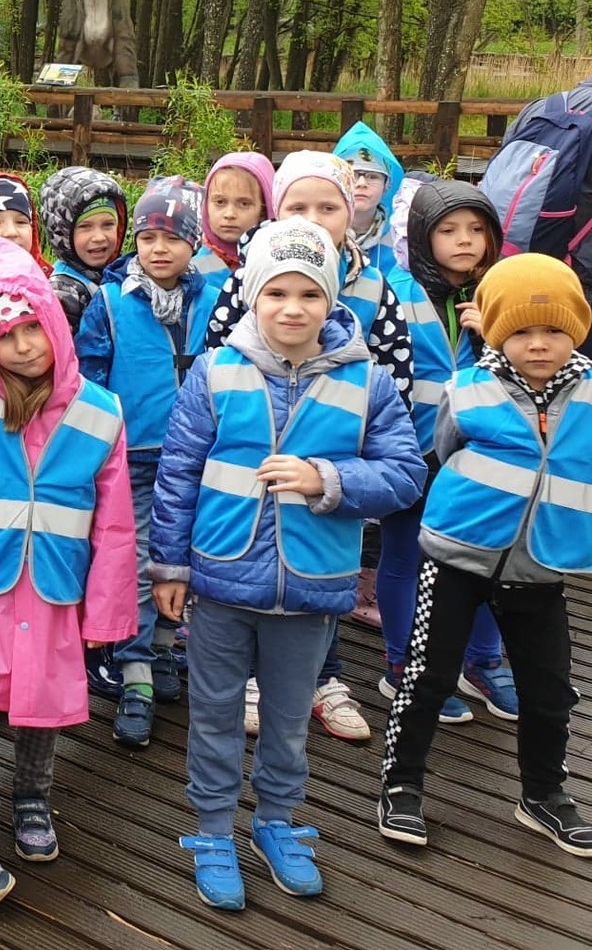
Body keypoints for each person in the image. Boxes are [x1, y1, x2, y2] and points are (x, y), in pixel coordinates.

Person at [151, 219, 422, 911]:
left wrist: (326, 478)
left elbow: (404, 474)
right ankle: (213, 829)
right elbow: (178, 474)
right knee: (215, 715)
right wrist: (170, 567)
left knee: (289, 718)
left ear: (332, 299)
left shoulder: (368, 382)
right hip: (220, 580)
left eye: (309, 293)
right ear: (251, 296)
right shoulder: (215, 372)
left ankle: (276, 820)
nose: (293, 308)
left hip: (311, 586)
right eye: (276, 292)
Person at [0, 239, 138, 911]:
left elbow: (115, 524)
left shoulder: (101, 411)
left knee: (42, 707)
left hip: (55, 592)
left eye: (31, 328)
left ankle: (31, 798)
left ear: (53, 321)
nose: (22, 347)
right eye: (3, 336)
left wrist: (105, 611)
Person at [379, 254, 592, 856]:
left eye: (553, 330)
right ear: (496, 331)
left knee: (550, 689)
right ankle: (401, 785)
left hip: (542, 565)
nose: (538, 344)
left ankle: (544, 794)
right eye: (521, 331)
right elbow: (446, 448)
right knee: (427, 677)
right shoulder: (467, 388)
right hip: (457, 556)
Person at [204, 150, 418, 742]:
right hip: (256, 456)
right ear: (276, 212)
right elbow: (218, 358)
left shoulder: (374, 285)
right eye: (297, 206)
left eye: (329, 207)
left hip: (334, 456)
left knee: (321, 573)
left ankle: (325, 678)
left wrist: (352, 466)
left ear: (352, 212)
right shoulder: (249, 277)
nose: (314, 219)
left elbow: (394, 377)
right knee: (255, 569)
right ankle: (254, 676)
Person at [76, 175, 218, 748]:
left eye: (173, 236)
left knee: (181, 558)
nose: (159, 248)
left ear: (194, 242)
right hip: (132, 455)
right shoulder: (110, 302)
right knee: (137, 564)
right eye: (148, 236)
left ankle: (162, 647)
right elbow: (90, 380)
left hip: (196, 455)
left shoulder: (215, 298)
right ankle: (134, 672)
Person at [380, 182, 513, 723]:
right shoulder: (396, 289)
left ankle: (483, 661)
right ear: (421, 235)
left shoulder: (500, 291)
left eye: (477, 229)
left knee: (486, 558)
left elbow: (533, 366)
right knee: (405, 555)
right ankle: (402, 664)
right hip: (409, 447)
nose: (465, 241)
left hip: (483, 451)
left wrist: (494, 338)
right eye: (448, 230)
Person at [36, 166, 129, 333]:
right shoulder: (63, 291)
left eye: (108, 225)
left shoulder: (124, 270)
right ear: (62, 233)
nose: (99, 237)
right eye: (85, 226)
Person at [192, 151, 273, 288]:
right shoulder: (194, 272)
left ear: (263, 211)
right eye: (220, 202)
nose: (230, 214)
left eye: (244, 204)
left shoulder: (277, 264)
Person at [336, 123, 407, 274]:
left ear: (387, 185)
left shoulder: (400, 237)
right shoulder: (322, 231)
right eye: (353, 175)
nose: (361, 183)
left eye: (373, 176)